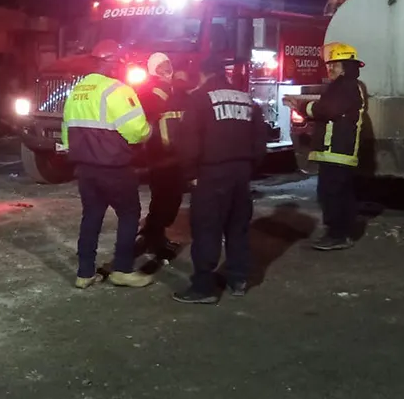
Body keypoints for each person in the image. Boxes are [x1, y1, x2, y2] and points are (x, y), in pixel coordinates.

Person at [170, 56, 265, 305]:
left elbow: (189, 141)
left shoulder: (200, 98)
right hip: (241, 172)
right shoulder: (246, 99)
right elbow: (259, 142)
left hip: (211, 173)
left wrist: (190, 173)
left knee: (207, 229)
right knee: (237, 227)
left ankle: (204, 287)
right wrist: (248, 168)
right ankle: (238, 279)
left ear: (203, 74)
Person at [62, 39, 154, 289]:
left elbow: (66, 131)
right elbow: (136, 131)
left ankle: (85, 273)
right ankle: (122, 270)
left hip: (84, 168)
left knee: (91, 215)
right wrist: (150, 132)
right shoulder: (118, 90)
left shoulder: (77, 90)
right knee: (129, 213)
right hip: (113, 167)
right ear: (114, 62)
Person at [286, 42, 368, 251]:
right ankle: (342, 232)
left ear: (347, 67)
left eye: (335, 65)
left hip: (337, 150)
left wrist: (302, 106)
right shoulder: (346, 86)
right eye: (329, 65)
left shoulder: (346, 86)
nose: (329, 69)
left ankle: (337, 234)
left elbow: (327, 110)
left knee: (331, 193)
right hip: (336, 151)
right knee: (340, 192)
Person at [134, 52, 185, 261]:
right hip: (160, 155)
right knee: (164, 200)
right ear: (154, 70)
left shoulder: (173, 90)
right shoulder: (150, 93)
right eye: (163, 66)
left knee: (169, 199)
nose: (168, 69)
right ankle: (152, 238)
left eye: (169, 65)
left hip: (175, 155)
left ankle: (153, 236)